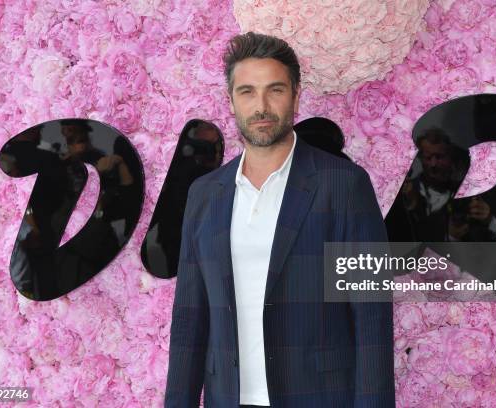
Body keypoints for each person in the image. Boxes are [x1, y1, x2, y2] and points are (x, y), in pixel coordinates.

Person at [165, 32, 394, 408]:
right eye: (247, 92)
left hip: (320, 398)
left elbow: (371, 318)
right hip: (229, 400)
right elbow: (190, 320)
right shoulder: (205, 194)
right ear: (231, 100)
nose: (262, 106)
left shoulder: (343, 186)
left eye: (275, 89)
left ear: (296, 94)